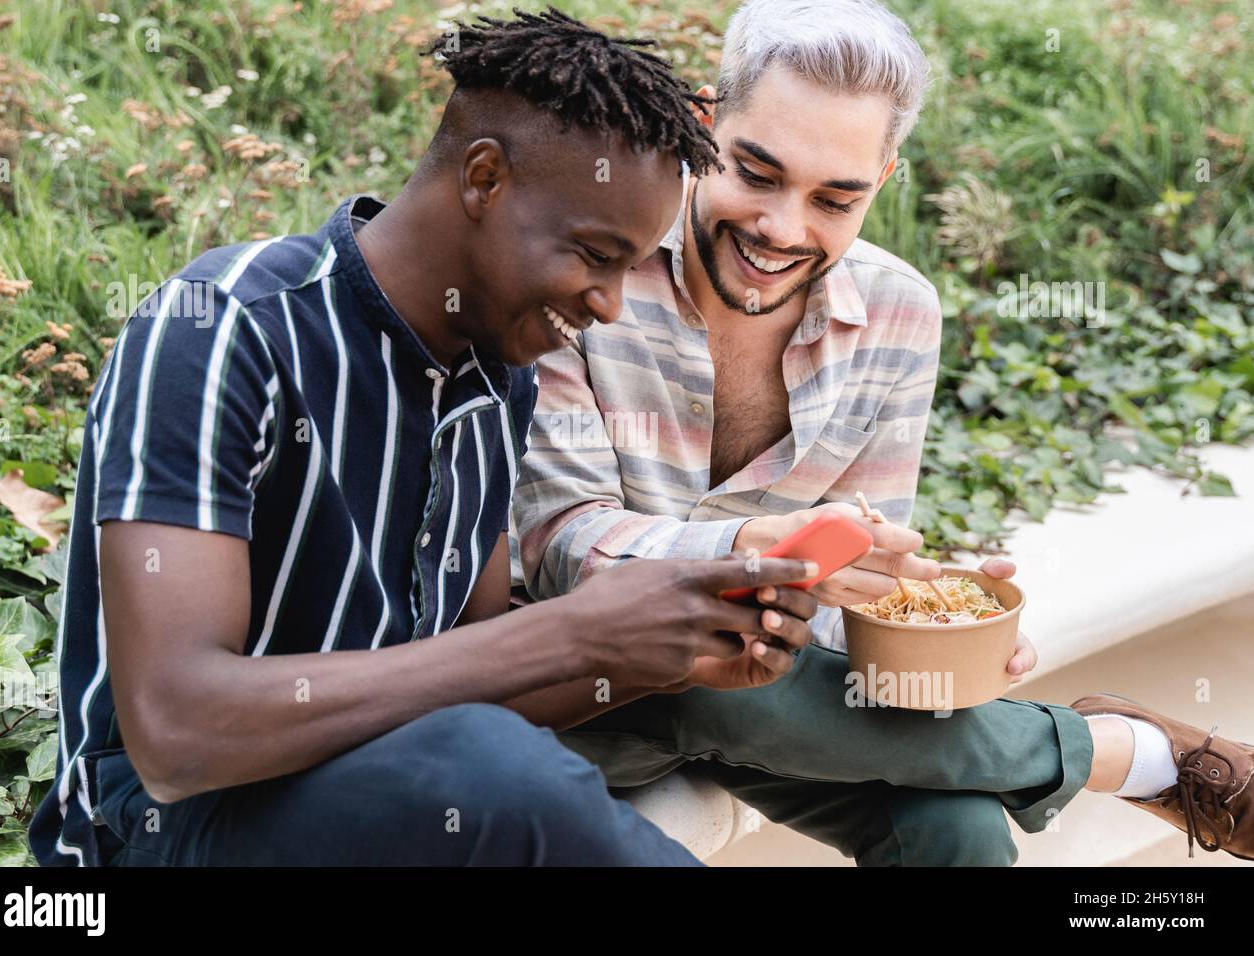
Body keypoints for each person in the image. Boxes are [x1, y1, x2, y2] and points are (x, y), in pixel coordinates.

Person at [27, 9, 831, 868]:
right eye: (595, 255)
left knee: (489, 759)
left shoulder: (497, 380)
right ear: (484, 178)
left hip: (374, 801)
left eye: (628, 267)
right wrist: (572, 633)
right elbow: (177, 733)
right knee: (496, 774)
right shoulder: (226, 329)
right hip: (157, 835)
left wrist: (660, 654)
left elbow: (472, 686)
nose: (607, 304)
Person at [511, 0, 1253, 865]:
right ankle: (1124, 754)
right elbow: (559, 549)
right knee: (691, 652)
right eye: (755, 173)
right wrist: (754, 551)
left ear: (885, 177)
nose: (783, 229)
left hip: (766, 699)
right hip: (577, 693)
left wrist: (925, 616)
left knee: (958, 831)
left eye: (835, 198)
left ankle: (1094, 750)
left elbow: (836, 608)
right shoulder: (591, 268)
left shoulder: (898, 314)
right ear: (705, 123)